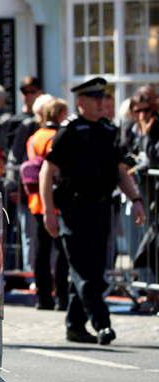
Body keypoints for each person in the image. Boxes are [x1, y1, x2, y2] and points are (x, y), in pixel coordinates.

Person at [40, 77, 146, 345]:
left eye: (104, 98)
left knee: (94, 271)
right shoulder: (70, 131)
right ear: (81, 102)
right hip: (73, 208)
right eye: (96, 99)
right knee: (83, 271)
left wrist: (135, 199)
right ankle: (103, 324)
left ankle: (75, 326)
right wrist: (48, 211)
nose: (102, 103)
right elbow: (47, 170)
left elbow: (120, 170)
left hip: (100, 207)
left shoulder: (109, 131)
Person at [25, 98, 69, 310]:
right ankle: (62, 296)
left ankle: (44, 298)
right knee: (61, 250)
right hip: (56, 200)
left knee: (41, 251)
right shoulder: (58, 137)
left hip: (36, 201)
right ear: (60, 114)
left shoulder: (34, 137)